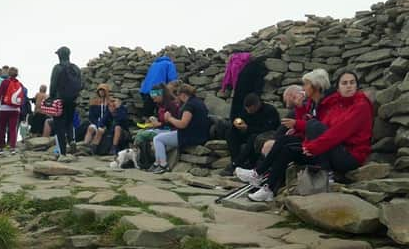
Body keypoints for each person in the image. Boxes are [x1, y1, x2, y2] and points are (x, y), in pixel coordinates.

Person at [239, 70, 373, 202]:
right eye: (344, 83)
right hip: (330, 149)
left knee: (313, 126)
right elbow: (320, 128)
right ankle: (268, 188)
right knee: (287, 147)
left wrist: (310, 145)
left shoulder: (360, 106)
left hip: (349, 155)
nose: (349, 86)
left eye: (352, 82)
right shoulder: (337, 104)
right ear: (338, 87)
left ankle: (326, 173)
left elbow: (336, 132)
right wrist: (302, 128)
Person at [150, 84, 210, 174]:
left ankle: (162, 165)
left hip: (189, 136)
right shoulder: (199, 102)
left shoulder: (189, 106)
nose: (177, 98)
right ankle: (157, 163)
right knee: (159, 137)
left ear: (183, 95)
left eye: (178, 96)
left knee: (158, 138)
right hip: (200, 134)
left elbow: (182, 124)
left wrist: (170, 118)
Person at [220, 93, 281, 176]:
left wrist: (248, 128)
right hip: (247, 132)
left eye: (251, 110)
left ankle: (236, 164)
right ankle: (235, 160)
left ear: (257, 105)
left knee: (253, 138)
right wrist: (237, 123)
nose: (249, 112)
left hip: (265, 135)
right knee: (231, 133)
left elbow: (269, 128)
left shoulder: (269, 110)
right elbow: (239, 118)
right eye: (247, 110)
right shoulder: (245, 111)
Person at [132, 85, 181, 169]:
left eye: (154, 98)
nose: (154, 101)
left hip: (170, 131)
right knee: (140, 133)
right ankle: (142, 160)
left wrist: (159, 124)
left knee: (141, 135)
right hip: (162, 129)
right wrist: (154, 120)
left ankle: (141, 160)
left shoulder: (171, 106)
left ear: (160, 95)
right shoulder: (161, 106)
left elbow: (173, 122)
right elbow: (161, 119)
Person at [50, 46, 83, 155]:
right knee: (69, 122)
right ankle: (72, 140)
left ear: (59, 55)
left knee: (59, 125)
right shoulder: (75, 68)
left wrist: (51, 98)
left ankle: (63, 152)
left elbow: (53, 85)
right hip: (72, 100)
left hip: (60, 100)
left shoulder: (57, 68)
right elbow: (81, 84)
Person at [0, 66, 26, 155]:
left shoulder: (4, 82)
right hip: (15, 109)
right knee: (13, 129)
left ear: (8, 73)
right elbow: (23, 97)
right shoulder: (20, 84)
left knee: (2, 128)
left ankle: (1, 148)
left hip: (4, 108)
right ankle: (12, 148)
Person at [83, 84, 111, 148]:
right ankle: (85, 145)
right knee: (90, 128)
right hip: (96, 122)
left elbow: (108, 115)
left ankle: (94, 147)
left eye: (103, 90)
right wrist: (96, 123)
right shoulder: (94, 102)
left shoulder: (109, 102)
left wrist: (101, 124)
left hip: (106, 124)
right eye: (100, 90)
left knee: (100, 130)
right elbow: (91, 116)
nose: (101, 92)